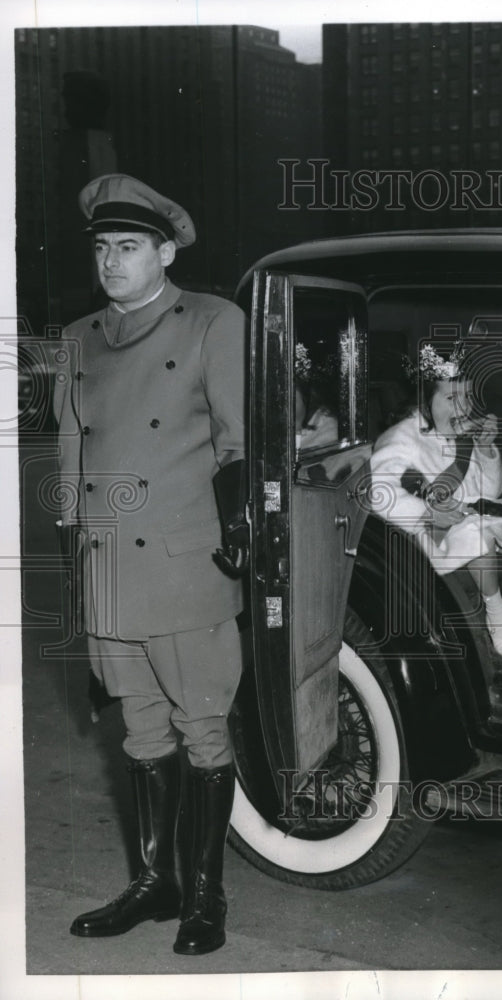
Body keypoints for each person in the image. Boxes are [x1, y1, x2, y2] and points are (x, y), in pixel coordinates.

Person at [53, 174, 249, 956]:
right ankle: (153, 881)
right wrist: (74, 539)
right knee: (139, 732)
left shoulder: (212, 321)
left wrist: (241, 536)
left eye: (128, 248)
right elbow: (72, 446)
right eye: (102, 248)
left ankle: (205, 894)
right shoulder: (75, 337)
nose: (111, 262)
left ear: (165, 251)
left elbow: (237, 443)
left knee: (202, 728)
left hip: (181, 564)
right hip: (108, 566)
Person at [369, 343, 502, 657]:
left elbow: (488, 492)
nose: (462, 408)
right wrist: (428, 512)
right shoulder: (401, 437)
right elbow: (380, 494)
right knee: (478, 534)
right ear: (425, 398)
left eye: (466, 397)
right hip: (431, 530)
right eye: (451, 398)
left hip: (468, 513)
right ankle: (497, 614)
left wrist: (488, 451)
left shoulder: (460, 434)